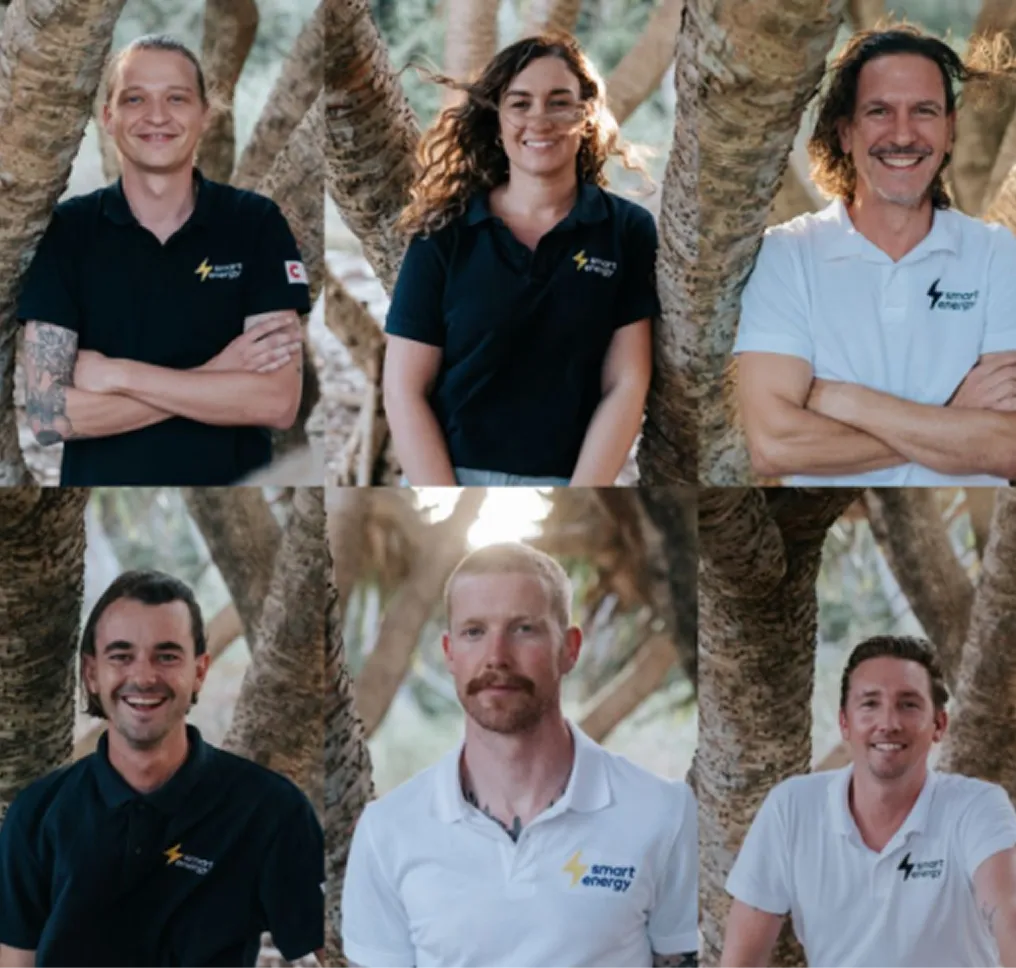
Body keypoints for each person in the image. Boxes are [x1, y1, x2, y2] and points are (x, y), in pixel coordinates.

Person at [341, 543, 698, 968]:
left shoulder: (663, 812)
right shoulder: (387, 830)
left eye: (524, 629)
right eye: (474, 632)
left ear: (569, 648)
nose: (497, 657)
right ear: (449, 651)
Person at [18, 35, 312, 486]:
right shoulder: (68, 232)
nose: (157, 116)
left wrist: (117, 374)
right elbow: (47, 416)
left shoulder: (255, 223)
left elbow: (276, 403)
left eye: (177, 98)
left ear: (205, 115)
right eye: (135, 99)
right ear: (108, 117)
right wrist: (218, 373)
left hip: (233, 488)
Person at [734, 26, 1016, 486]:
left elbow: (1007, 446)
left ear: (950, 130)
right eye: (879, 111)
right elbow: (774, 446)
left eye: (924, 111)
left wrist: (846, 401)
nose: (902, 134)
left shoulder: (997, 254)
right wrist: (952, 417)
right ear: (846, 132)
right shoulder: (786, 256)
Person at [0, 571, 325, 968]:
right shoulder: (36, 815)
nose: (143, 677)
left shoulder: (269, 810)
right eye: (121, 656)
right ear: (92, 673)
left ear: (199, 671)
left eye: (167, 656)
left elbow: (339, 952)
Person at [383, 33, 658, 487]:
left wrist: (580, 498)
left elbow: (626, 383)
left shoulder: (626, 231)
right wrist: (445, 501)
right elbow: (403, 388)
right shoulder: (444, 232)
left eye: (559, 102)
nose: (539, 120)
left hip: (570, 484)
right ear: (497, 119)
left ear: (587, 115)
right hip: (445, 478)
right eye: (520, 103)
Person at [720, 635, 1016, 968]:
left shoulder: (977, 806)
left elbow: (1006, 911)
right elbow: (740, 961)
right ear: (844, 723)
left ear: (939, 724)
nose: (888, 723)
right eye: (870, 704)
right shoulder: (792, 808)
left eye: (908, 704)